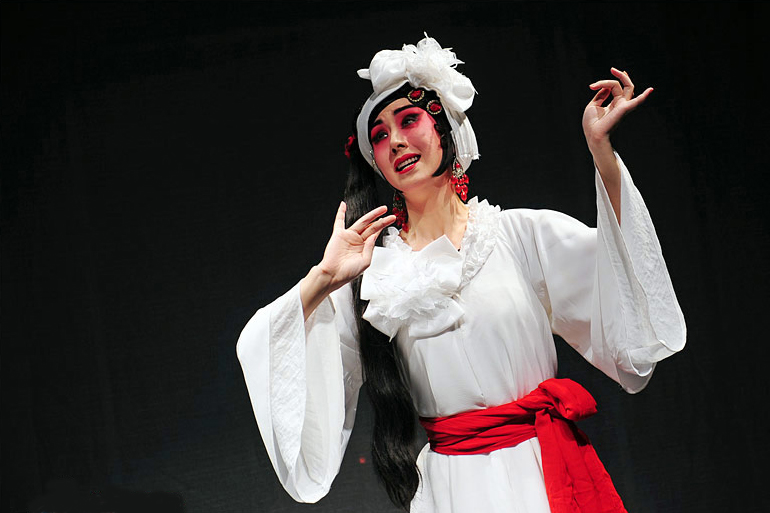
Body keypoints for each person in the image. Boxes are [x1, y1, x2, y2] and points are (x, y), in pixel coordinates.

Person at [236, 35, 686, 513]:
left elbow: (623, 279)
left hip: (542, 471)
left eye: (409, 120)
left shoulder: (519, 234)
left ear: (446, 128)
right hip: (454, 489)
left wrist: (601, 151)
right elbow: (271, 348)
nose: (397, 142)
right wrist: (324, 278)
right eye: (381, 135)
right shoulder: (376, 275)